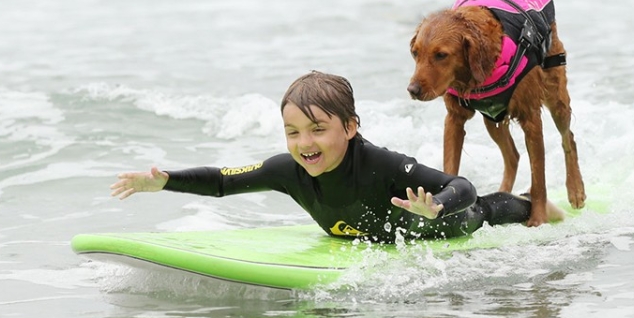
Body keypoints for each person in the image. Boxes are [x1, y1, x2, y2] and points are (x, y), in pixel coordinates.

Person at [111, 71, 565, 243]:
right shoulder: (286, 170)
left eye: (317, 129)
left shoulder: (379, 164)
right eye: (292, 131)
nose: (303, 142)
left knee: (484, 211)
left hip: (443, 229)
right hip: (361, 239)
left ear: (350, 127)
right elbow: (223, 180)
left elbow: (460, 186)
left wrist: (438, 208)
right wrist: (164, 180)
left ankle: (531, 204)